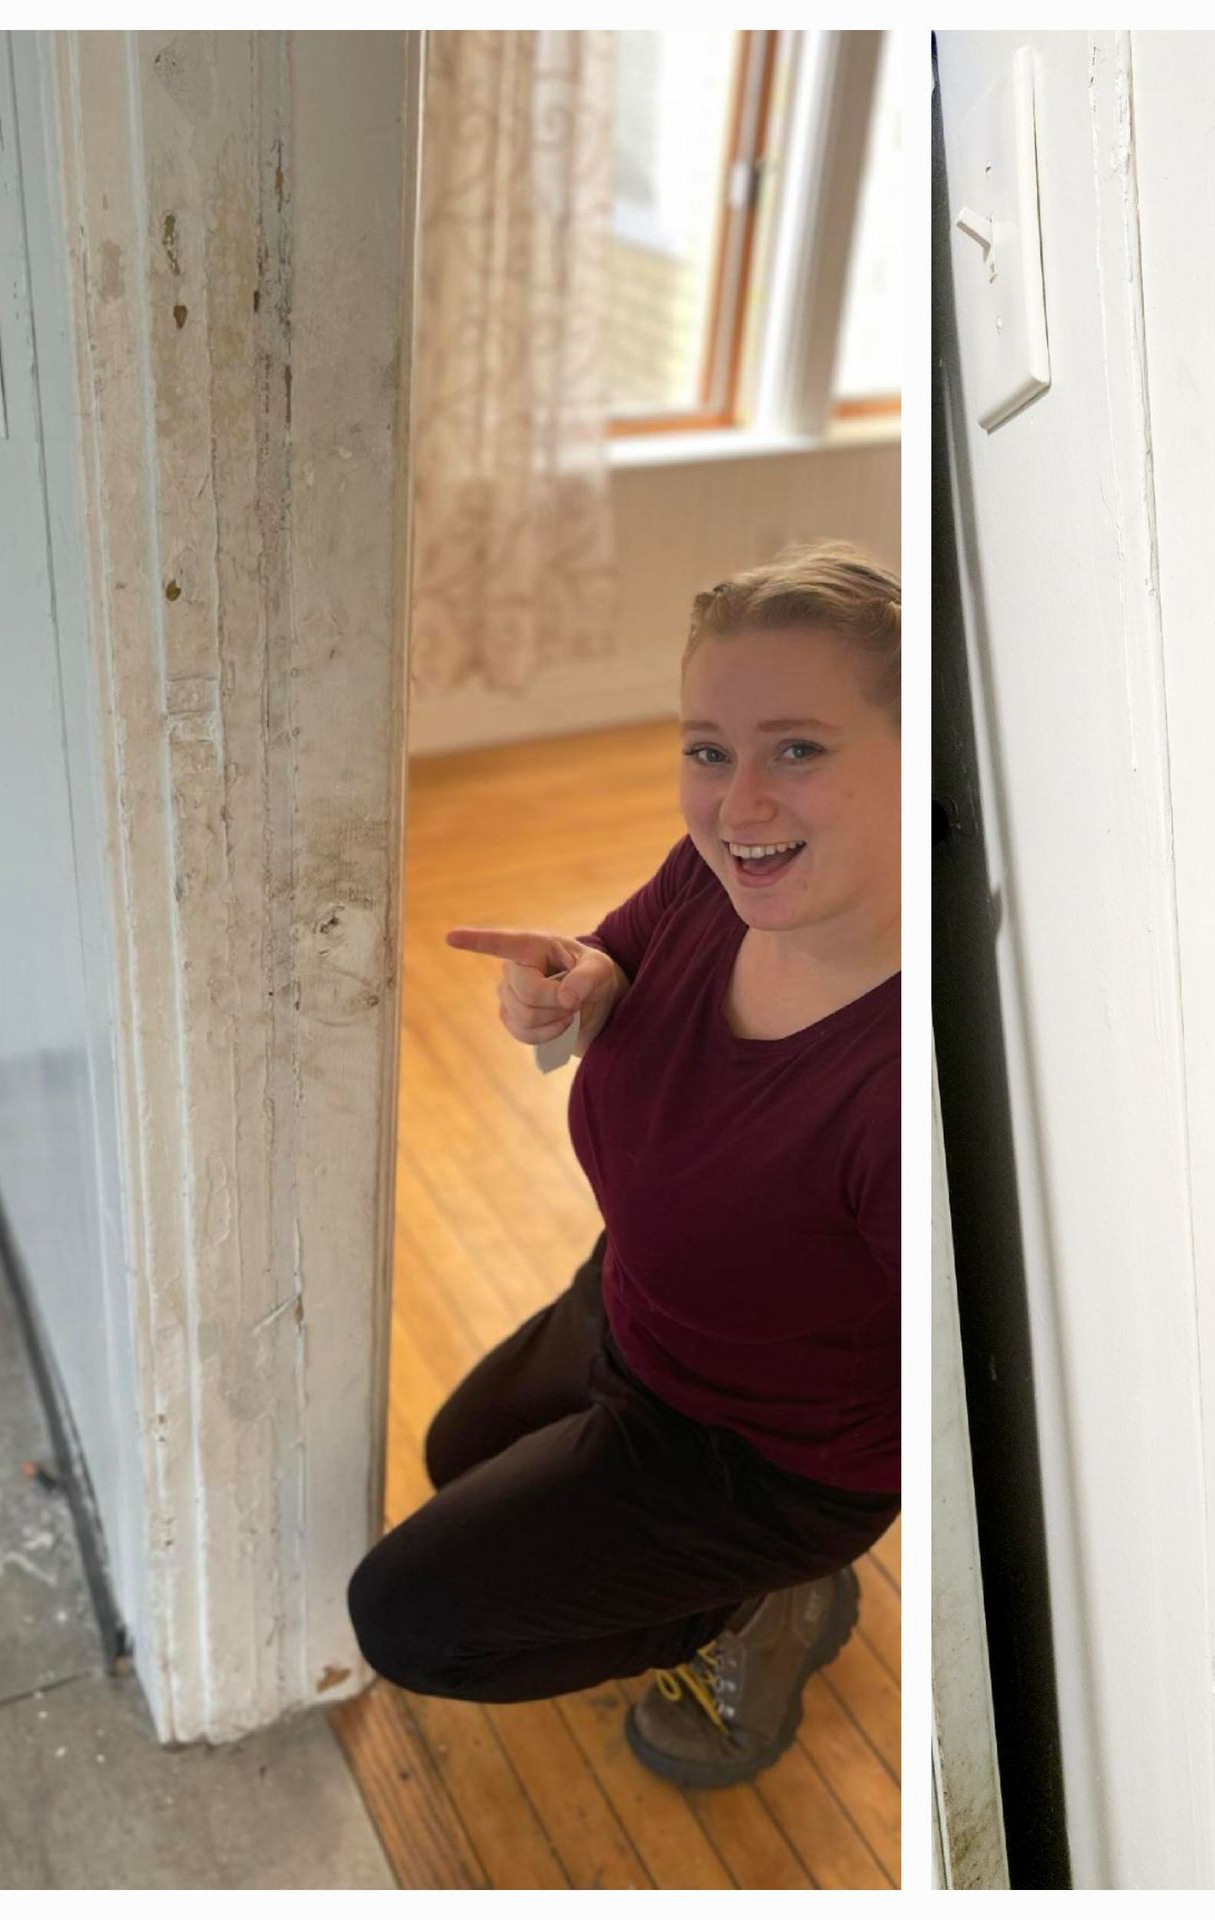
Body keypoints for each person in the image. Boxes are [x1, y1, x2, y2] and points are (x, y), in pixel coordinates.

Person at [346, 542, 901, 1789]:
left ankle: (762, 1600)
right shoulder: (720, 880)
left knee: (407, 1619)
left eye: (797, 749)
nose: (738, 805)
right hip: (632, 1303)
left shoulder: (899, 1085)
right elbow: (625, 950)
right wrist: (585, 979)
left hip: (761, 1457)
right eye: (709, 748)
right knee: (456, 1453)